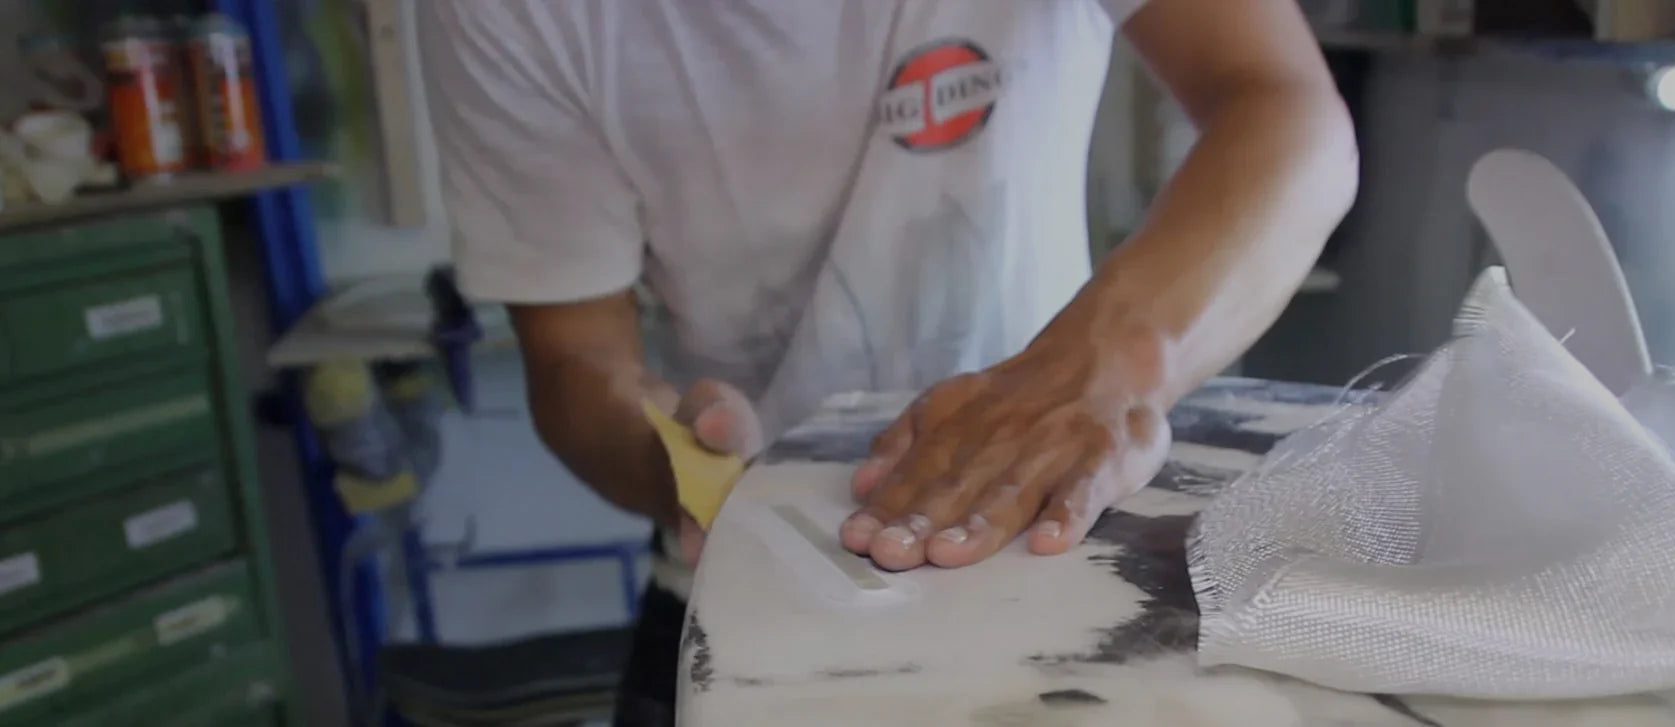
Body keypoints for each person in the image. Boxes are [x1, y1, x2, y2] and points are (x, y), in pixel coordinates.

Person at [420, 0, 1356, 723]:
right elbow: (577, 355)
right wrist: (686, 467)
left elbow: (1285, 108)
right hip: (747, 589)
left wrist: (1104, 369)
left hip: (1062, 558)